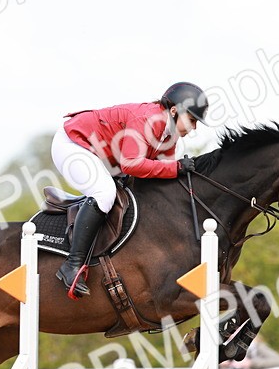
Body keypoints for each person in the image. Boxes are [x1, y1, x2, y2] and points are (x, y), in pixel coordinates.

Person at [52, 81, 210, 299]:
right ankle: (72, 265)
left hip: (103, 156)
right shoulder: (146, 119)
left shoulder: (169, 134)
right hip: (73, 145)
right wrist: (176, 168)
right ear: (174, 111)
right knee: (105, 194)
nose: (193, 128)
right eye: (191, 120)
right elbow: (131, 164)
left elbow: (162, 176)